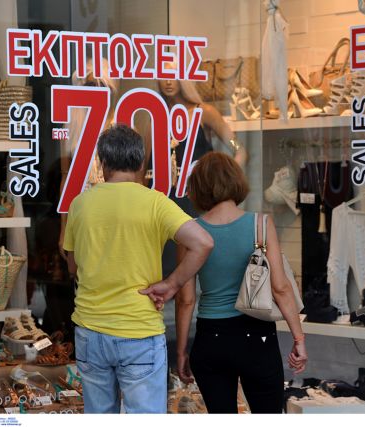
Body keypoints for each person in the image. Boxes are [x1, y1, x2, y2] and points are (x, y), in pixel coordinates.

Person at [142, 152, 308, 414]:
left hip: (211, 338)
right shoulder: (261, 224)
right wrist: (298, 338)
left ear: (199, 187)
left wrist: (182, 351)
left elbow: (186, 300)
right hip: (257, 337)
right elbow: (281, 287)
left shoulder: (191, 231)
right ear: (235, 180)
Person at [63, 124, 213, 414]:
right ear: (141, 163)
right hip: (139, 329)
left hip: (91, 330)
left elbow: (72, 266)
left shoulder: (80, 205)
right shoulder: (155, 202)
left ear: (103, 163)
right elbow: (203, 243)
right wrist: (172, 284)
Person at [152, 70, 247, 277]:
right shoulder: (156, 115)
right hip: (165, 199)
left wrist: (224, 182)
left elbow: (239, 150)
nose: (168, 81)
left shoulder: (203, 112)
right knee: (168, 264)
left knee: (199, 258)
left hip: (197, 199)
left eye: (173, 75)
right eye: (163, 75)